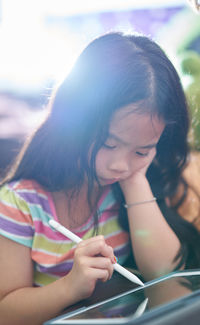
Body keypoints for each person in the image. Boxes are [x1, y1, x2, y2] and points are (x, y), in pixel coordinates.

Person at [0, 31, 200, 325]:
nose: (120, 165)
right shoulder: (21, 204)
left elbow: (170, 289)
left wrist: (136, 183)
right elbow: (5, 312)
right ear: (75, 121)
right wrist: (69, 287)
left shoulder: (135, 181)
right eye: (109, 144)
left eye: (142, 150)